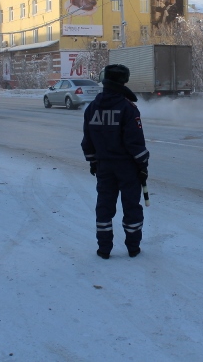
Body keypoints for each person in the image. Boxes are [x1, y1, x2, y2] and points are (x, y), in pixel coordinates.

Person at [81, 64, 149, 259]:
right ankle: (133, 248)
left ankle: (104, 249)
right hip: (127, 167)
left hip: (104, 166)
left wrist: (93, 162)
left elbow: (87, 140)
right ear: (124, 81)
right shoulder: (128, 108)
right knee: (131, 206)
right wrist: (142, 165)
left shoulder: (92, 108)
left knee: (104, 206)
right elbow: (134, 142)